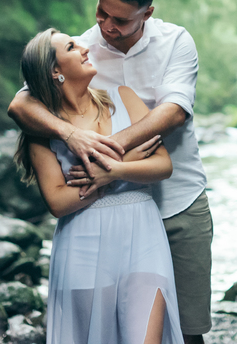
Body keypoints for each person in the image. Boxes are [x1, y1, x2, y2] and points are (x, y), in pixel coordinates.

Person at [9, 0, 213, 344]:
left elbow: (174, 112)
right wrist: (73, 135)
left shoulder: (176, 42)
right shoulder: (82, 48)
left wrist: (113, 156)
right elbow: (20, 105)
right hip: (100, 220)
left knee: (186, 330)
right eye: (101, 11)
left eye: (118, 19)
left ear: (146, 14)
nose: (106, 25)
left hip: (179, 202)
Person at [15, 27, 183, 344]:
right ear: (55, 71)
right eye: (70, 46)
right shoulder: (41, 130)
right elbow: (58, 202)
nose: (83, 47)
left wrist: (115, 171)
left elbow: (162, 164)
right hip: (82, 246)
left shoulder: (124, 97)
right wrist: (111, 174)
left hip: (142, 237)